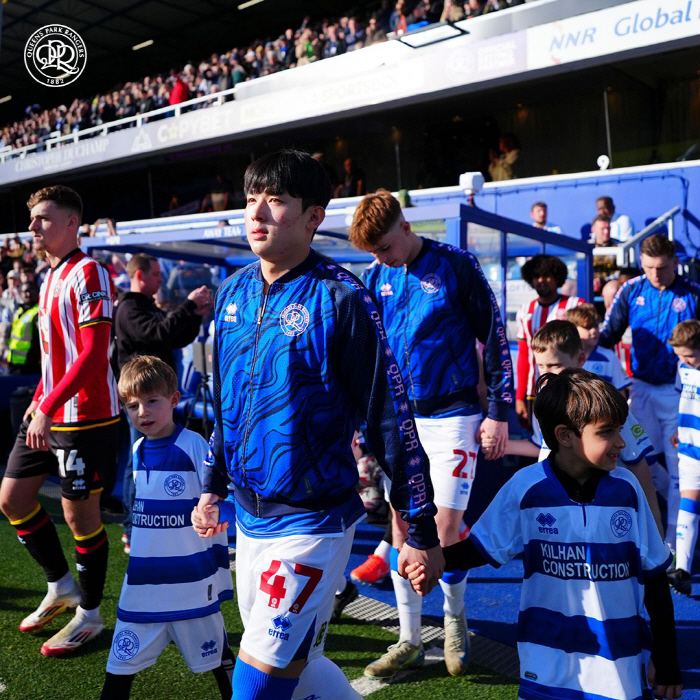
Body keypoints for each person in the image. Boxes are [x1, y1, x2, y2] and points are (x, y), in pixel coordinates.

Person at [192, 150, 443, 700]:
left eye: (276, 201)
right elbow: (228, 406)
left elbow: (390, 421)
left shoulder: (343, 299)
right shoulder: (232, 293)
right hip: (249, 520)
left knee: (255, 683)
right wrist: (212, 487)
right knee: (299, 664)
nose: (256, 213)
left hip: (313, 523)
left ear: (313, 217)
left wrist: (420, 531)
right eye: (250, 198)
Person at [408, 368, 683, 700]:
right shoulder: (526, 488)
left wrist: (666, 657)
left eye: (620, 430)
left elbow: (655, 578)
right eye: (607, 432)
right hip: (546, 653)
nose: (621, 442)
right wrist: (432, 560)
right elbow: (481, 549)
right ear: (566, 435)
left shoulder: (627, 491)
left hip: (618, 658)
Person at [348, 189, 513, 679]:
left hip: (455, 414)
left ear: (404, 225)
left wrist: (499, 410)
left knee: (441, 529)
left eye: (383, 246)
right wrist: (362, 424)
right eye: (372, 252)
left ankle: (454, 619)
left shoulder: (456, 265)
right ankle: (410, 638)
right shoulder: (375, 278)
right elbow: (367, 358)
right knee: (402, 526)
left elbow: (495, 332)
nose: (380, 258)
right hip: (397, 421)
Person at [0, 185, 120, 655]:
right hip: (48, 410)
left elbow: (93, 354)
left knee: (78, 515)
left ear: (72, 223)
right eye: (32, 219)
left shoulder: (89, 272)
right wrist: (40, 401)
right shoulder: (50, 276)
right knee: (11, 498)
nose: (33, 227)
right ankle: (61, 585)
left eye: (43, 218)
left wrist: (49, 405)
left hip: (85, 416)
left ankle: (90, 614)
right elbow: (58, 356)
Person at [100, 356, 234, 699]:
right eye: (132, 406)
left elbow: (224, 503)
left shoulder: (194, 446)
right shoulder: (137, 448)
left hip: (191, 583)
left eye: (151, 401)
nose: (142, 412)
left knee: (220, 661)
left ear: (174, 399)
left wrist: (216, 520)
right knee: (118, 668)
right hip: (142, 587)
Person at [600, 234, 700, 550]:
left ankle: (673, 544)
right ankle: (648, 530)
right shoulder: (631, 290)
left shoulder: (694, 293)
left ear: (674, 262)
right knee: (636, 458)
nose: (655, 274)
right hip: (640, 388)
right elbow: (606, 337)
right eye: (647, 268)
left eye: (661, 267)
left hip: (681, 393)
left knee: (679, 468)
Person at [114, 252, 213, 551]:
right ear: (140, 275)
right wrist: (189, 307)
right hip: (149, 397)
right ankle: (132, 527)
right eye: (156, 275)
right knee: (138, 460)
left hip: (157, 397)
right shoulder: (130, 309)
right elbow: (160, 333)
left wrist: (194, 314)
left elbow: (171, 336)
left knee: (154, 459)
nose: (160, 280)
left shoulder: (142, 307)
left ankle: (155, 518)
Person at [529, 320, 663, 535]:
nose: (547, 374)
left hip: (606, 522)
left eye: (554, 365)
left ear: (580, 359)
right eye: (541, 366)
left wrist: (654, 524)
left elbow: (639, 467)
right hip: (559, 522)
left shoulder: (605, 406)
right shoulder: (546, 405)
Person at [515, 254, 584, 429]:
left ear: (557, 277)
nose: (541, 281)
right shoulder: (525, 311)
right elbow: (524, 355)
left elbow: (585, 349)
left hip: (571, 390)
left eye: (546, 276)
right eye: (536, 277)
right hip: (535, 392)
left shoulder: (575, 305)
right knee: (537, 444)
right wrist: (519, 397)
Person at [668, 319, 700, 596]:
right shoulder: (682, 368)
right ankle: (683, 569)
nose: (685, 361)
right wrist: (679, 430)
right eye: (681, 356)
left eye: (689, 355)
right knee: (687, 507)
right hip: (689, 450)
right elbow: (683, 401)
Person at [565, 304, 630, 393]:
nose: (594, 331)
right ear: (573, 329)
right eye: (587, 327)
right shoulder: (565, 356)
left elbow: (620, 392)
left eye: (596, 326)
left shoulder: (609, 356)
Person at [5, 282, 41, 375]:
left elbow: (38, 342)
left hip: (28, 367)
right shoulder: (20, 311)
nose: (28, 294)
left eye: (31, 291)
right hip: (13, 363)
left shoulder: (38, 312)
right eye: (25, 291)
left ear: (37, 293)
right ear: (20, 294)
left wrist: (32, 361)